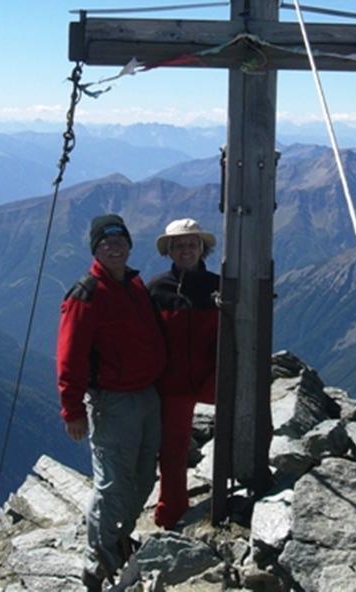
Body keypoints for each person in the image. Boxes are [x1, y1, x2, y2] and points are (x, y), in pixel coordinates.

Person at [56, 214, 166, 591]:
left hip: (147, 396)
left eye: (120, 240)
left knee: (143, 475)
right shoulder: (86, 294)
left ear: (129, 245)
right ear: (95, 249)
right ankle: (96, 562)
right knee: (113, 484)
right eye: (106, 242)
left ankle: (119, 539)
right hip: (113, 403)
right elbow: (69, 356)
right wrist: (71, 410)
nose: (115, 246)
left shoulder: (133, 284)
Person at [148, 217, 220, 530]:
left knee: (235, 432)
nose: (186, 249)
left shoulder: (220, 287)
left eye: (192, 244)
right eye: (179, 245)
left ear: (202, 249)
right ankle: (171, 509)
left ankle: (231, 496)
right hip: (172, 386)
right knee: (172, 451)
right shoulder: (156, 290)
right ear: (170, 251)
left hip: (214, 381)